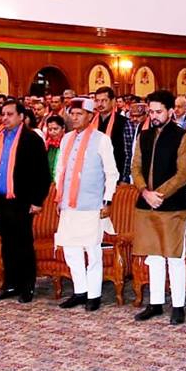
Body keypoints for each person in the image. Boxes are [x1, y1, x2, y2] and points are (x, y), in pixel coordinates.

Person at [131, 90, 186, 325]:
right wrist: (144, 192)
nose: (154, 116)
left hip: (173, 206)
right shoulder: (144, 135)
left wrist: (159, 195)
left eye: (158, 111)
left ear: (170, 111)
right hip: (146, 203)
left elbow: (183, 174)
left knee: (175, 257)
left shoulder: (183, 137)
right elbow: (135, 167)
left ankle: (178, 306)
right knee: (154, 256)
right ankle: (155, 303)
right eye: (151, 112)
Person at [54, 97, 119, 311]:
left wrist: (107, 200)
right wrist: (59, 195)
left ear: (90, 116)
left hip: (92, 205)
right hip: (68, 204)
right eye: (72, 114)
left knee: (92, 250)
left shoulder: (102, 140)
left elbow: (111, 173)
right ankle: (80, 290)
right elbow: (60, 169)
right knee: (70, 249)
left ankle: (94, 294)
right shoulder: (66, 139)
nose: (74, 118)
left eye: (79, 114)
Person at [0, 99, 51, 303]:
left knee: (23, 243)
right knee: (7, 243)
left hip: (22, 200)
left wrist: (37, 200)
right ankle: (10, 283)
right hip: (1, 199)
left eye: (10, 114)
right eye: (3, 114)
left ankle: (27, 286)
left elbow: (42, 173)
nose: (5, 118)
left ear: (21, 116)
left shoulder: (31, 139)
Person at [43, 115, 65, 184]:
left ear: (63, 128)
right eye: (50, 130)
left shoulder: (67, 144)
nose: (52, 132)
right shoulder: (47, 145)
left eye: (55, 129)